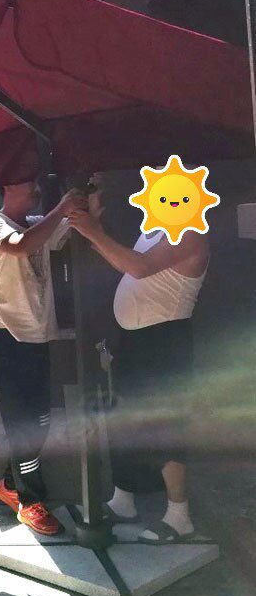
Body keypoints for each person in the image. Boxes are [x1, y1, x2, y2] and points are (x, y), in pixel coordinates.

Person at [68, 178, 208, 545]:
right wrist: (94, 227)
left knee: (164, 425)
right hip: (135, 338)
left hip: (165, 340)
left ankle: (179, 516)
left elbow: (140, 267)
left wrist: (94, 231)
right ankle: (124, 498)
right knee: (125, 419)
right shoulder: (154, 231)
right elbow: (123, 262)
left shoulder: (189, 233)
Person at [0, 181, 86, 536]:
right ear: (8, 186)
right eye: (29, 181)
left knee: (40, 421)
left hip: (37, 336)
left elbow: (78, 220)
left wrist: (90, 192)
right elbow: (21, 246)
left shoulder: (40, 223)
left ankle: (10, 484)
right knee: (22, 423)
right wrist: (62, 207)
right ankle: (29, 501)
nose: (37, 188)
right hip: (4, 335)